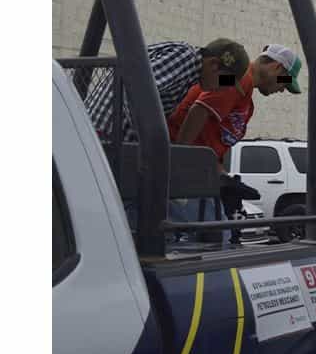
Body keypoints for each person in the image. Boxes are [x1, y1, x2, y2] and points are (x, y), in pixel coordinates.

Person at [165, 44, 302, 243]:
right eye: (285, 82)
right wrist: (179, 159)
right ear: (277, 68)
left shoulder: (247, 99)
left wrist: (226, 181)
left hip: (198, 172)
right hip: (182, 172)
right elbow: (199, 108)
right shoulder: (238, 80)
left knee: (214, 236)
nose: (282, 90)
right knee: (217, 238)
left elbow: (211, 143)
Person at [85, 38, 250, 143]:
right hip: (106, 137)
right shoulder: (185, 58)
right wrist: (151, 144)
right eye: (225, 81)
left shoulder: (189, 74)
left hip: (106, 136)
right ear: (214, 65)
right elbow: (137, 88)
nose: (222, 88)